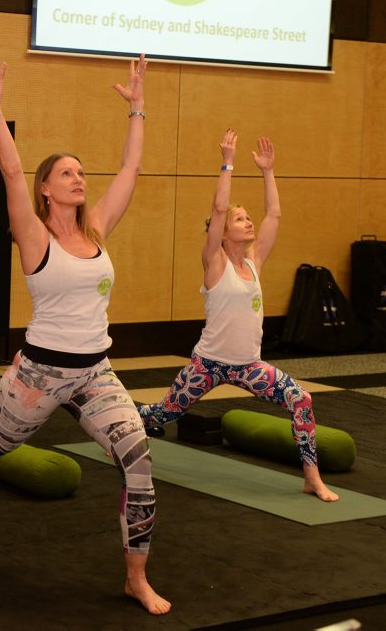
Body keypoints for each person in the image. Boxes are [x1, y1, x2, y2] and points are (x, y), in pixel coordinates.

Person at [0, 52, 171, 616]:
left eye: (82, 171)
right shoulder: (35, 238)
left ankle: (137, 577)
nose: (80, 177)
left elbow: (130, 171)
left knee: (139, 462)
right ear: (45, 189)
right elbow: (11, 172)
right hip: (38, 374)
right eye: (67, 172)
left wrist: (138, 111)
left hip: (95, 373)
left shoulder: (98, 227)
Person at [138, 130, 339, 503]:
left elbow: (275, 213)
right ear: (223, 232)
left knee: (302, 400)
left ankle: (312, 477)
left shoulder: (254, 261)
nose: (248, 223)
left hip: (249, 366)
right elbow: (218, 209)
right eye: (241, 219)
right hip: (209, 364)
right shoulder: (214, 262)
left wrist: (268, 171)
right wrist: (227, 163)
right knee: (162, 413)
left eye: (249, 219)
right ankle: (123, 429)